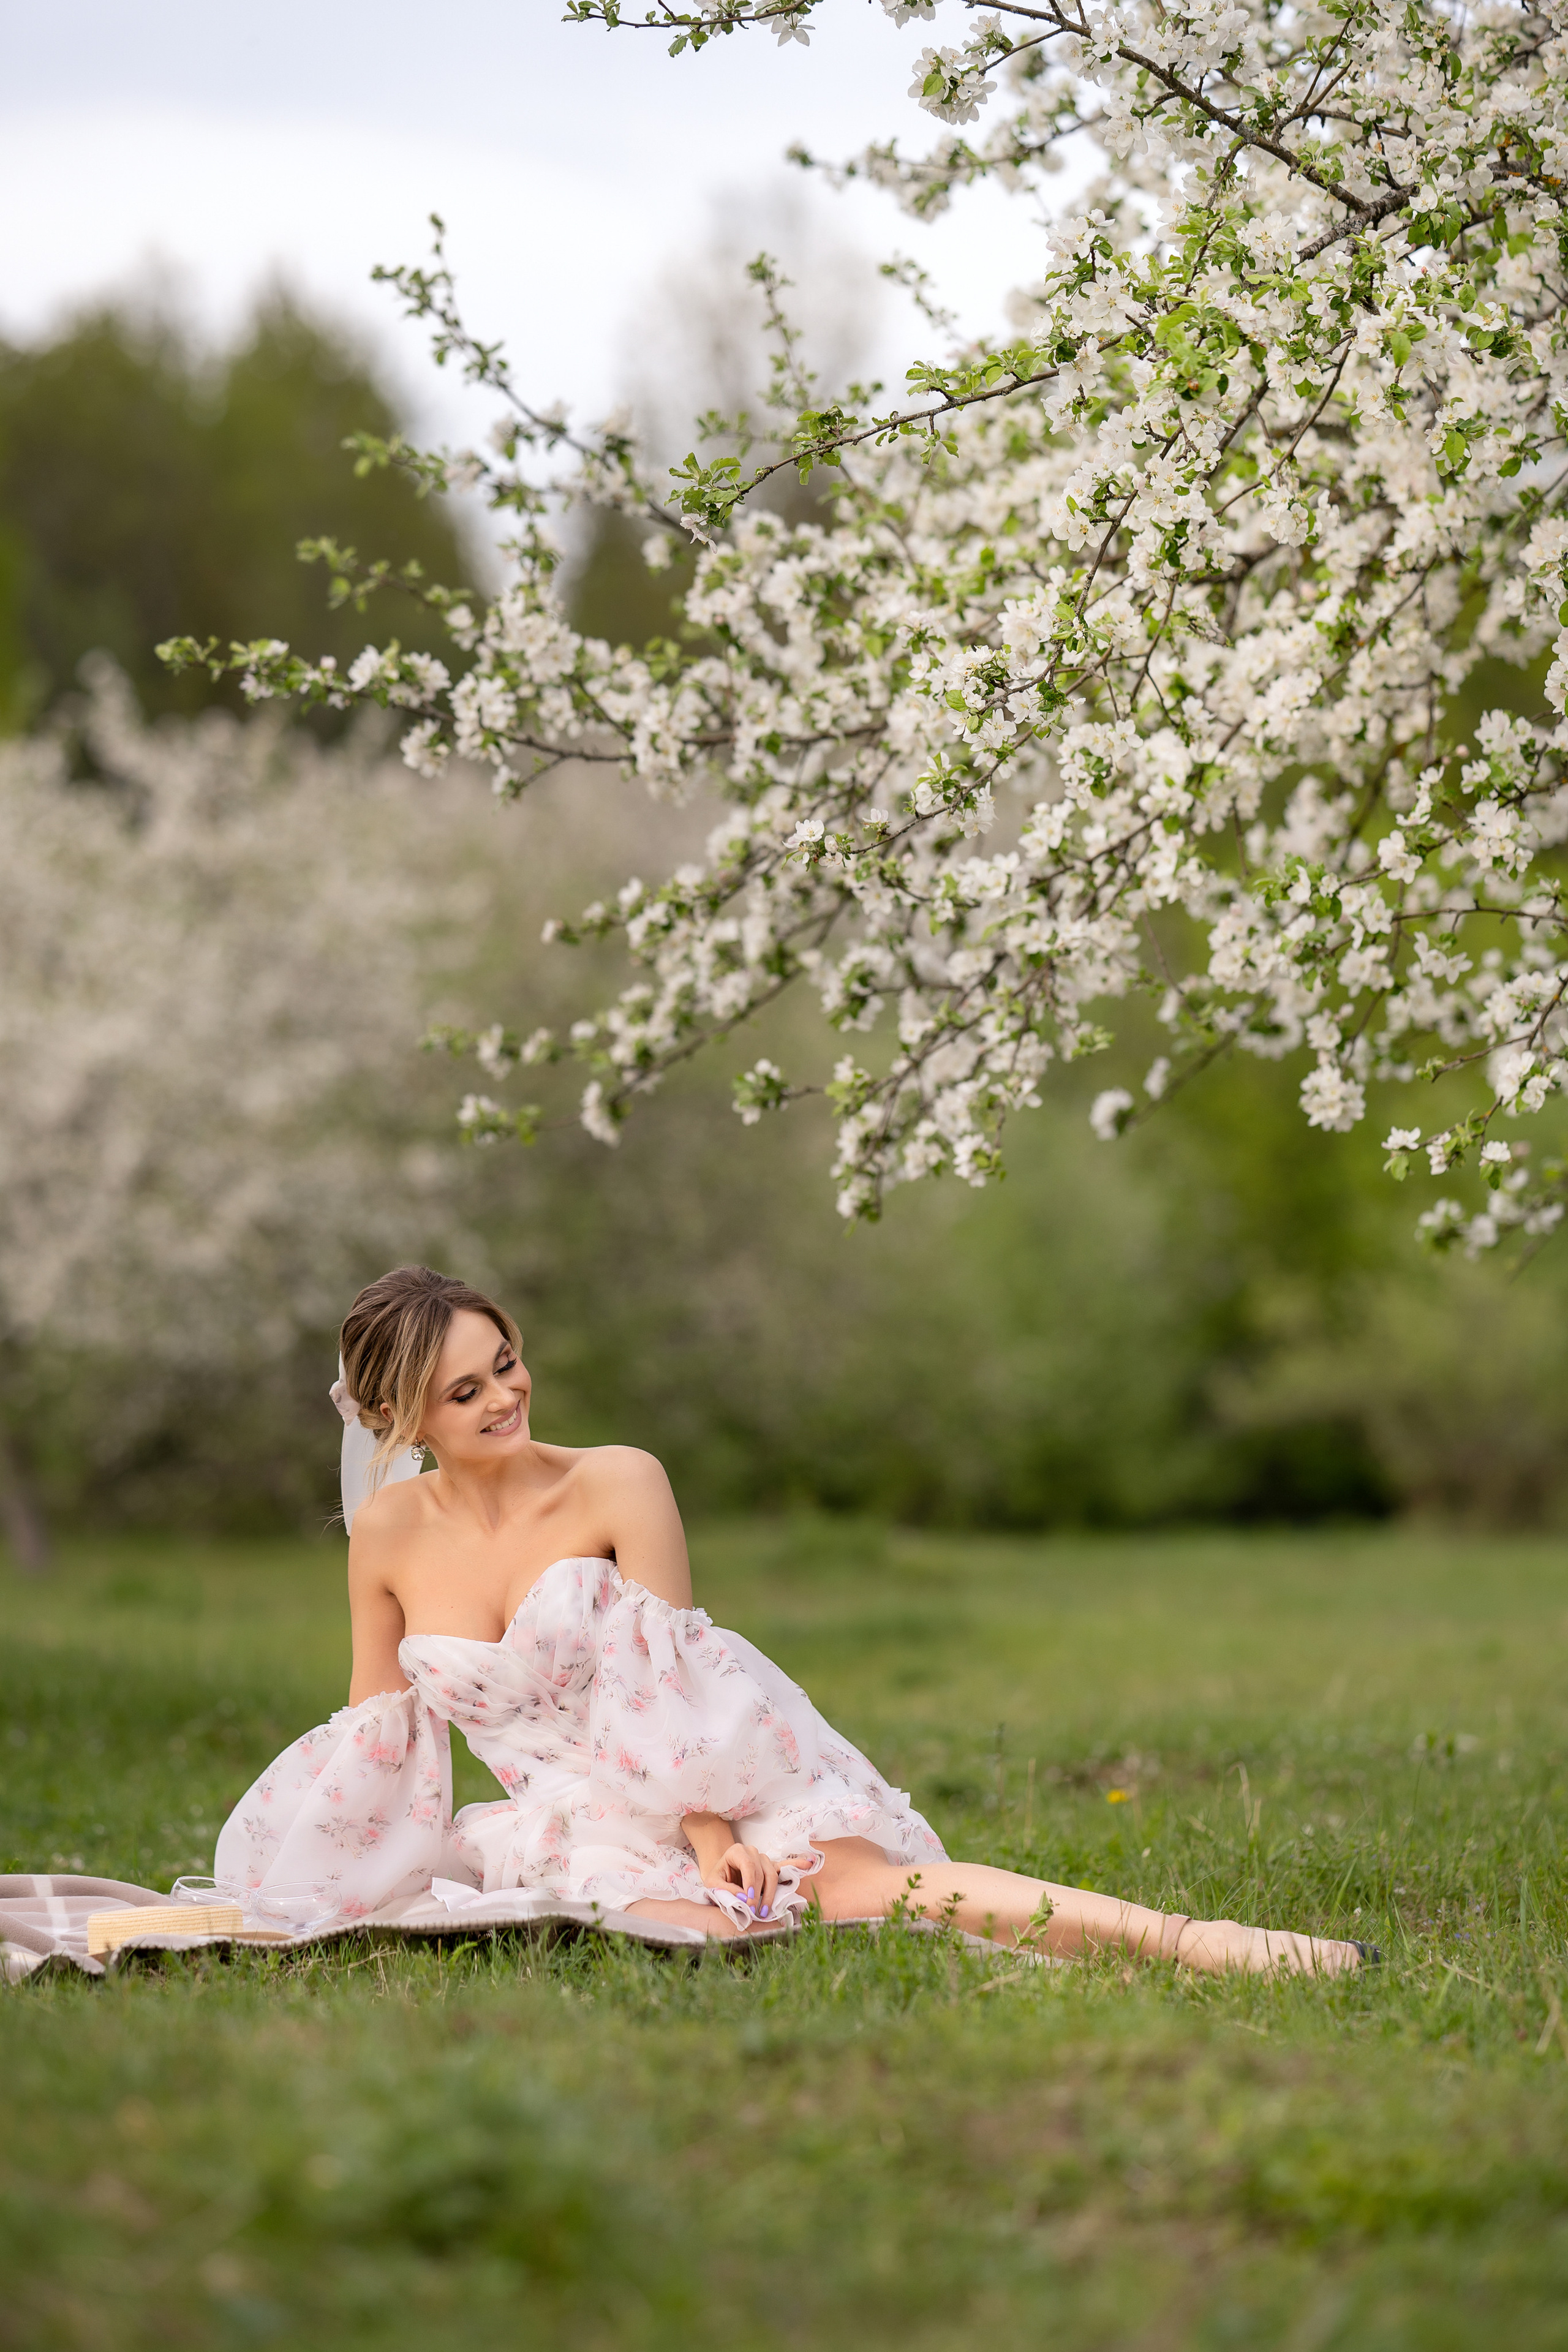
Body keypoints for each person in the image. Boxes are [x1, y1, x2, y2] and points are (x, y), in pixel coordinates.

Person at [215, 1265, 1368, 1975]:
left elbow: (675, 1692)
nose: (507, 1395)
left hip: (718, 1770)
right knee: (700, 1936)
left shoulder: (618, 1481)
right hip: (571, 1816)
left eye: (507, 1363)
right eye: (467, 1392)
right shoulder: (387, 1534)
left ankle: (1213, 1946)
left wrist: (717, 1837)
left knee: (849, 1891)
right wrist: (323, 1880)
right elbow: (378, 1729)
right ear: (400, 1416)